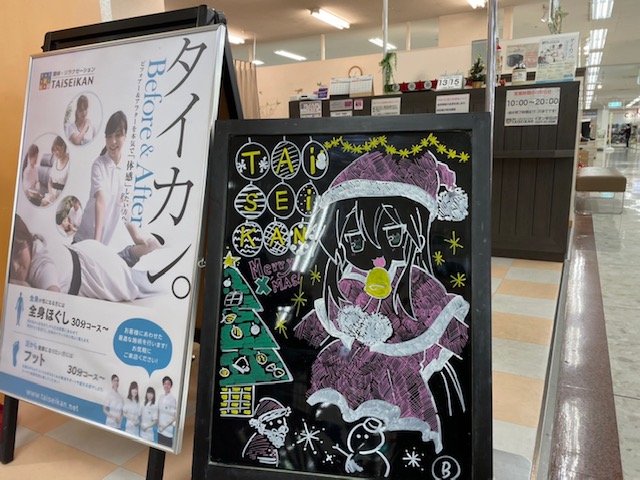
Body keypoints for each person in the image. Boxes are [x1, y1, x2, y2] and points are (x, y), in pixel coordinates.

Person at [294, 150, 470, 454]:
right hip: (344, 367)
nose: (374, 252)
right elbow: (312, 331)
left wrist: (470, 352)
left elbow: (451, 333)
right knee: (334, 422)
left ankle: (392, 453)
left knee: (398, 431)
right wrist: (298, 341)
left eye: (392, 235)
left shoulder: (417, 285)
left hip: (397, 374)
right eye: (356, 240)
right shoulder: (347, 283)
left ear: (416, 233)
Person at [9, 214, 165, 301]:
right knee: (114, 262)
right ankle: (136, 251)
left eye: (18, 254)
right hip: (88, 252)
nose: (15, 267)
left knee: (131, 282)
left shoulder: (41, 266)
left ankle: (161, 276)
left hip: (94, 274)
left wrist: (27, 290)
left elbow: (51, 301)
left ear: (27, 240)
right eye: (9, 263)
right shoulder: (36, 242)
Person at [73, 111, 159, 266]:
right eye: (109, 136)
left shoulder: (126, 170)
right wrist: (95, 244)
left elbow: (124, 208)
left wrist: (136, 236)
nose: (113, 141)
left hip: (102, 249)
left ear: (125, 136)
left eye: (118, 135)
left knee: (152, 245)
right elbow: (100, 201)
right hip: (83, 242)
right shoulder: (99, 165)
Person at [41, 136, 70, 206]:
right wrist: (51, 194)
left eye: (57, 149)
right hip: (52, 194)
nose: (55, 153)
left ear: (64, 147)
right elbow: (49, 182)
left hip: (62, 196)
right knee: (43, 203)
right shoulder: (55, 161)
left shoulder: (70, 162)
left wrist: (57, 196)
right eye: (54, 150)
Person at [157, 376, 177, 447]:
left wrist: (163, 426)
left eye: (168, 384)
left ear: (171, 386)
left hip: (167, 433)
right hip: (159, 431)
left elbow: (174, 416)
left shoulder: (172, 399)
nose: (166, 386)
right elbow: (159, 412)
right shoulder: (161, 397)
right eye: (165, 384)